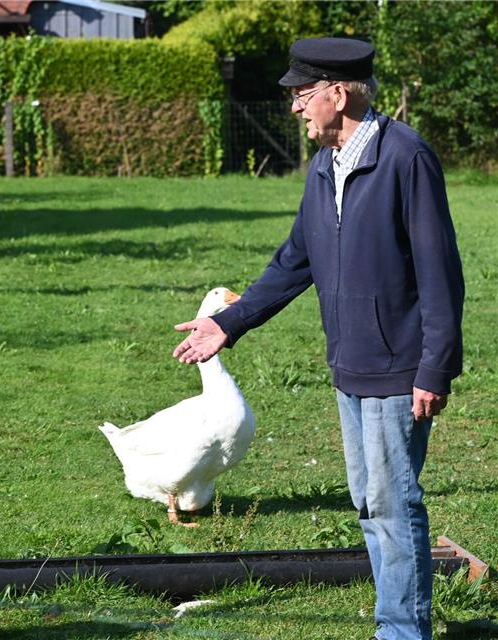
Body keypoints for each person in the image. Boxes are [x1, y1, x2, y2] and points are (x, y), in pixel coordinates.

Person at [172, 37, 464, 640]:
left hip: (398, 368)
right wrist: (228, 323)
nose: (297, 108)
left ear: (339, 92)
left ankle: (402, 632)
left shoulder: (406, 158)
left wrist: (435, 367)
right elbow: (295, 260)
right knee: (367, 502)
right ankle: (399, 623)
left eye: (303, 95)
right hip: (349, 365)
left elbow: (442, 272)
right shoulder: (322, 166)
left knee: (392, 504)